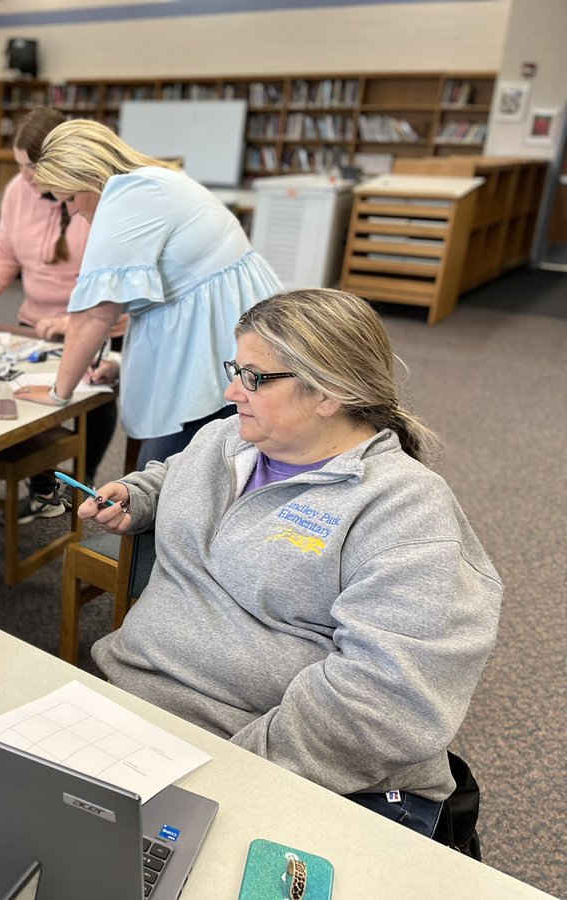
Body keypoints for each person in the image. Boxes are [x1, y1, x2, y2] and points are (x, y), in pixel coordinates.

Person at [81, 289, 502, 837]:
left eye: (254, 377)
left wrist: (234, 773)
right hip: (132, 707)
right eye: (236, 369)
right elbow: (176, 473)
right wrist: (139, 495)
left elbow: (385, 700)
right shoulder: (226, 437)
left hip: (263, 758)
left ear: (328, 392)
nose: (232, 390)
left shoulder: (407, 514)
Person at [14, 120, 283, 469]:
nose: (72, 211)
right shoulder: (153, 181)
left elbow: (96, 314)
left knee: (160, 480)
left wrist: (57, 395)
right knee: (194, 470)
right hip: (234, 339)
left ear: (90, 177)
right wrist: (124, 366)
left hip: (215, 359)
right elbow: (162, 299)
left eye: (69, 198)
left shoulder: (125, 197)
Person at [0, 108, 118, 522]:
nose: (25, 177)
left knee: (91, 402)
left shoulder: (96, 196)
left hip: (93, 324)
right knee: (26, 401)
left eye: (31, 167)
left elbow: (111, 281)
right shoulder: (17, 191)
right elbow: (6, 252)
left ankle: (80, 485)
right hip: (35, 321)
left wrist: (72, 322)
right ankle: (43, 487)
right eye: (20, 167)